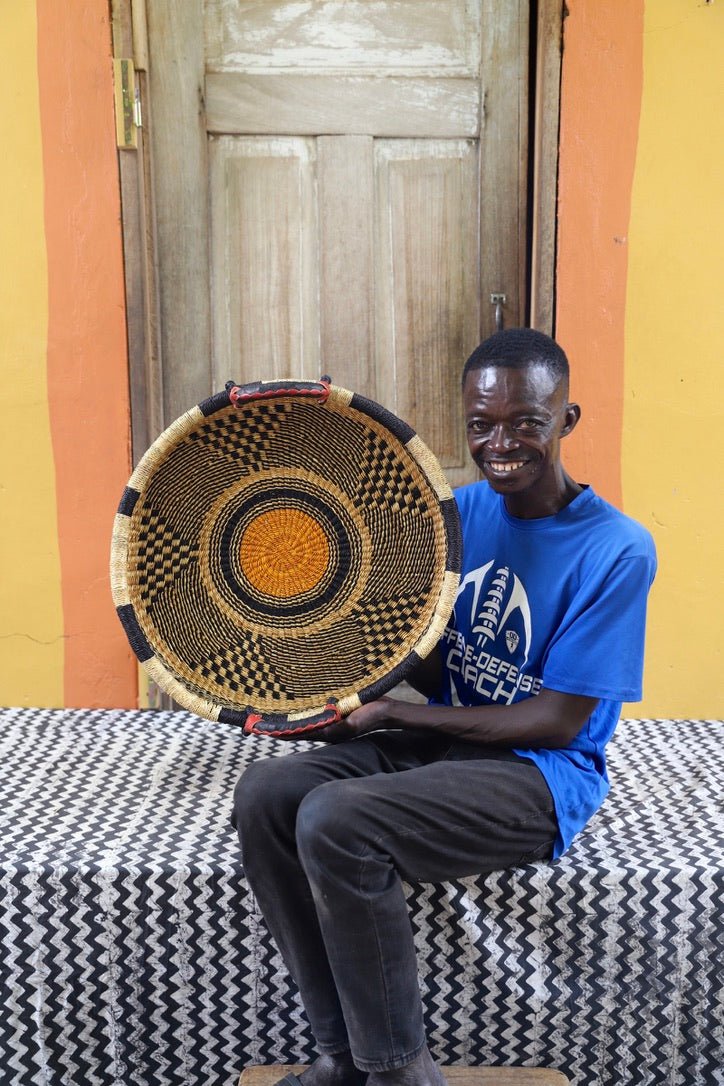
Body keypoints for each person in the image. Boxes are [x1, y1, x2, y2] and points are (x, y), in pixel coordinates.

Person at [232, 328, 657, 1086]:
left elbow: (556, 720)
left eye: (527, 421)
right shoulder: (453, 516)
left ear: (568, 419)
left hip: (538, 774)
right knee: (267, 794)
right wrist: (345, 681)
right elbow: (423, 658)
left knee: (338, 819)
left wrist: (393, 716)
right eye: (482, 425)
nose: (503, 443)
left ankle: (400, 1071)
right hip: (450, 748)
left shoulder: (617, 549)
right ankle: (339, 1057)